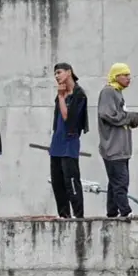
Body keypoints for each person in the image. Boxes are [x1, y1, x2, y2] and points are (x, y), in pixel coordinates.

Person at [97, 63, 138, 218]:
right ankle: (125, 211)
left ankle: (112, 212)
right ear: (116, 76)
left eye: (129, 75)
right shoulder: (109, 92)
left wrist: (130, 120)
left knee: (114, 183)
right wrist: (129, 117)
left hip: (121, 149)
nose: (128, 78)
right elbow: (107, 114)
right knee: (121, 182)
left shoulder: (118, 93)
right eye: (125, 75)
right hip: (113, 149)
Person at [49, 62, 89, 219]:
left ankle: (78, 215)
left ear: (69, 72)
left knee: (71, 181)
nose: (57, 76)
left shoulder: (79, 95)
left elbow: (68, 119)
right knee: (57, 182)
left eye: (59, 72)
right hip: (57, 143)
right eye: (55, 74)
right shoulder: (60, 95)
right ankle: (64, 214)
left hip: (69, 143)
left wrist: (61, 96)